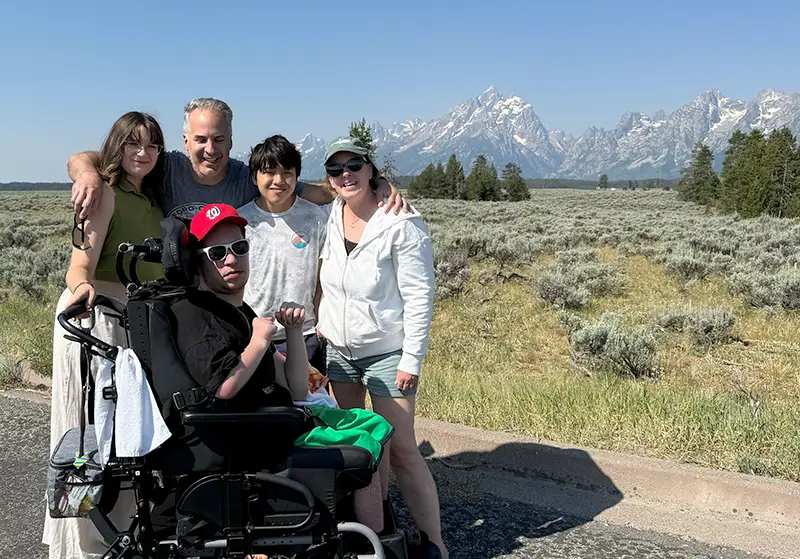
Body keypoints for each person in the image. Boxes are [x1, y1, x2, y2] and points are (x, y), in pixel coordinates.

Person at [171, 203, 392, 535]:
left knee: (376, 425)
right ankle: (375, 541)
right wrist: (259, 340)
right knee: (363, 446)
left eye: (239, 248)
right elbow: (224, 387)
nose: (231, 259)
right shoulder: (197, 316)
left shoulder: (238, 311)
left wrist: (291, 331)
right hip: (256, 441)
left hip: (277, 423)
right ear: (197, 261)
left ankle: (379, 528)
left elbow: (298, 387)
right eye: (217, 253)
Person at [315, 138, 447, 558]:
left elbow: (420, 296)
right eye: (336, 169)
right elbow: (281, 185)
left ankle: (435, 543)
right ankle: (378, 524)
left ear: (371, 169)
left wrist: (412, 358)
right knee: (358, 447)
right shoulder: (329, 215)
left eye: (355, 165)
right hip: (338, 351)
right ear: (329, 179)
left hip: (388, 353)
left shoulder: (402, 223)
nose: (346, 175)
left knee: (404, 449)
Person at [45, 111, 168, 559]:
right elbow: (80, 264)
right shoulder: (105, 195)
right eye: (133, 143)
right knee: (94, 432)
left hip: (134, 319)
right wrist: (83, 294)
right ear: (116, 146)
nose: (143, 153)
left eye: (152, 145)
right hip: (98, 318)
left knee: (123, 431)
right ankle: (89, 543)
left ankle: (119, 530)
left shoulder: (149, 196)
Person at [66, 98, 406, 222]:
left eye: (218, 140)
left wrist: (376, 183)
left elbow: (317, 191)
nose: (209, 149)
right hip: (174, 292)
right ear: (186, 141)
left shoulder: (248, 177)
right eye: (200, 140)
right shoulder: (165, 165)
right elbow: (83, 158)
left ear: (231, 142)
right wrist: (88, 174)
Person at [237, 135, 329, 370]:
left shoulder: (315, 217)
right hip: (253, 335)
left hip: (305, 335)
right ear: (254, 176)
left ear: (297, 176)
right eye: (269, 172)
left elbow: (322, 277)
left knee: (309, 404)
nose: (279, 180)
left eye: (287, 172)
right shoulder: (240, 221)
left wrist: (321, 322)